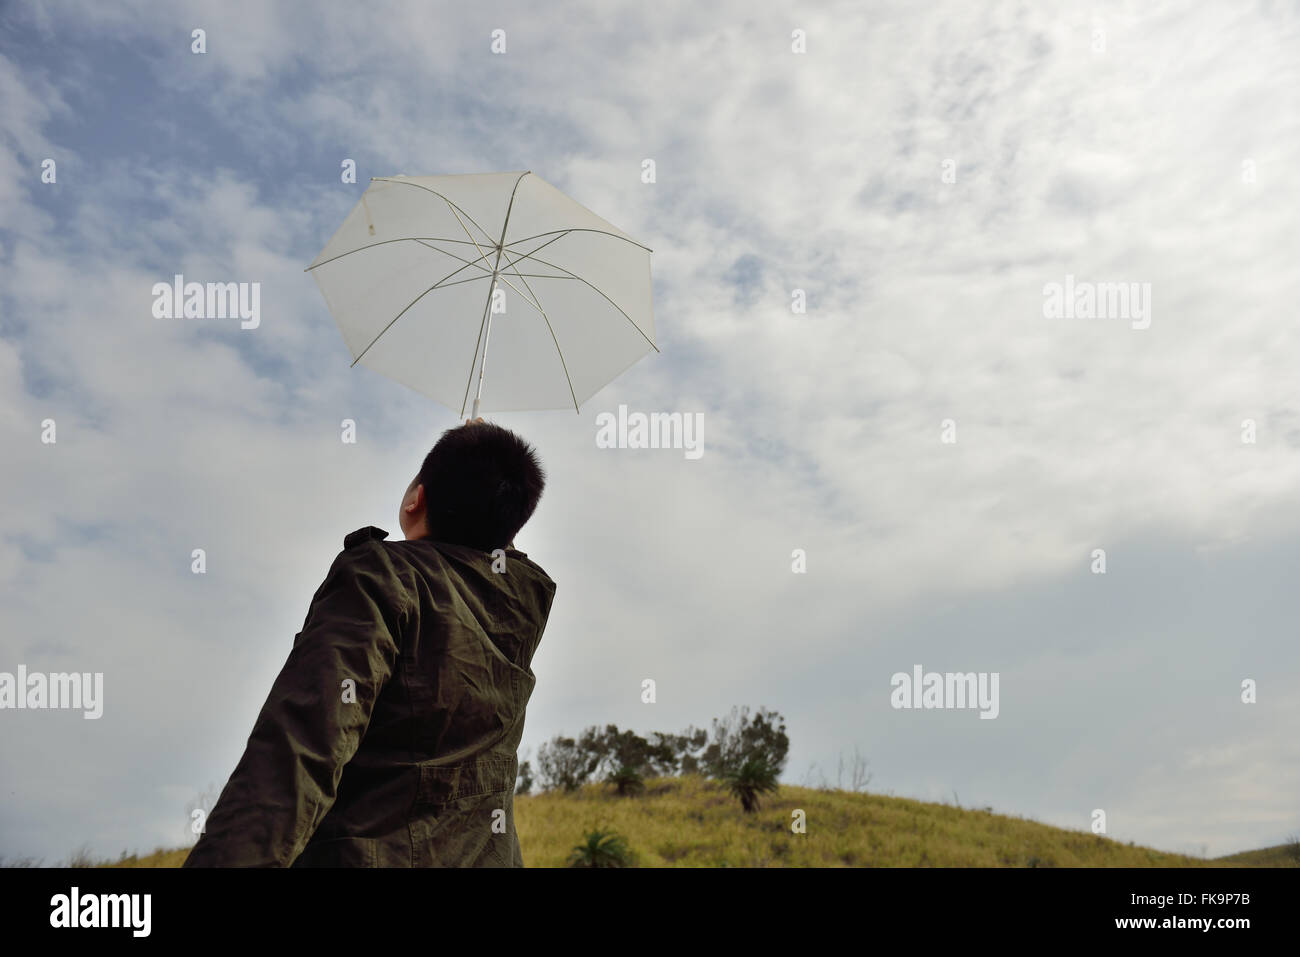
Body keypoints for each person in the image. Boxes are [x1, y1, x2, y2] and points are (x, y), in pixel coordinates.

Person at [183, 418, 555, 867]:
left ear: (415, 500)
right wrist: (488, 484)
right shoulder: (516, 613)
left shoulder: (382, 579)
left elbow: (302, 746)